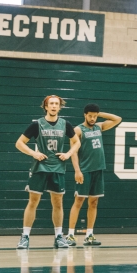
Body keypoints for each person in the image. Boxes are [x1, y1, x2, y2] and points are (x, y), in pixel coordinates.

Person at [15, 95, 81, 249]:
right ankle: (25, 236)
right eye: (51, 104)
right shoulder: (37, 124)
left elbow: (76, 142)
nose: (53, 106)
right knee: (33, 202)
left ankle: (59, 236)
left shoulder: (65, 124)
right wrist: (33, 153)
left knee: (58, 203)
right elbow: (19, 143)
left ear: (59, 107)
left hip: (57, 168)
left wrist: (68, 154)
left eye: (56, 104)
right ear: (45, 106)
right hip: (40, 168)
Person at [66, 104, 122, 247]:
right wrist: (77, 170)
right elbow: (73, 151)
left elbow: (117, 119)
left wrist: (99, 114)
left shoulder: (99, 126)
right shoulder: (78, 130)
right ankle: (70, 235)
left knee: (94, 203)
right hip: (85, 171)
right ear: (84, 115)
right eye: (90, 115)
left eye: (94, 116)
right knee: (78, 201)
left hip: (98, 170)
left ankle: (89, 235)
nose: (92, 118)